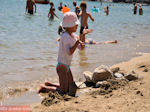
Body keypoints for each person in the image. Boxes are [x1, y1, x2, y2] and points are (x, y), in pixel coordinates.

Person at [38, 12, 90, 96]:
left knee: (71, 87)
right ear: (69, 26)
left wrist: (83, 35)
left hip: (67, 66)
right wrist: (76, 43)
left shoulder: (73, 36)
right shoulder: (65, 36)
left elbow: (81, 48)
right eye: (75, 24)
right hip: (61, 66)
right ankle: (44, 88)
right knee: (64, 91)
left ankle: (49, 84)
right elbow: (69, 52)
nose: (77, 26)